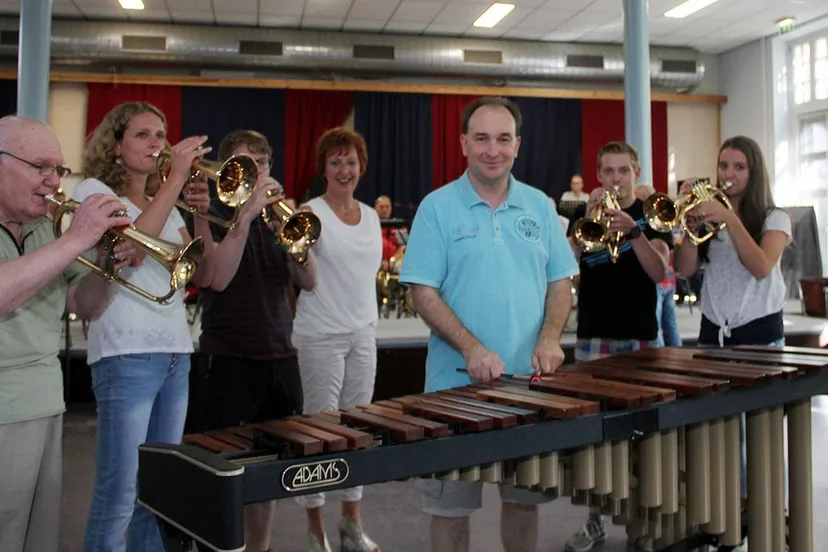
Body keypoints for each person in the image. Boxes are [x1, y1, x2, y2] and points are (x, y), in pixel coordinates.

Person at [400, 96, 579, 552]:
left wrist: (550, 338)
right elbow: (422, 292)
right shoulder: (436, 208)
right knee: (450, 511)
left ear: (517, 145)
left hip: (529, 386)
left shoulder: (540, 207)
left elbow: (560, 283)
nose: (492, 149)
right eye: (481, 138)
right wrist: (471, 348)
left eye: (503, 139)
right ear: (463, 143)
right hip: (453, 388)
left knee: (524, 505)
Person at [75, 101, 217, 552]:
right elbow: (130, 253)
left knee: (155, 495)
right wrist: (175, 179)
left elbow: (199, 273)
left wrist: (199, 211)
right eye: (142, 135)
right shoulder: (94, 191)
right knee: (118, 493)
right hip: (125, 351)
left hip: (176, 351)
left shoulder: (166, 205)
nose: (157, 143)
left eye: (161, 135)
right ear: (115, 146)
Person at [0, 116, 135, 552]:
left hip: (44, 401)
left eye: (59, 170)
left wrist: (111, 264)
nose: (53, 181)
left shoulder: (45, 227)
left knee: (36, 537)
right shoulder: (62, 235)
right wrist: (77, 239)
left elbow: (86, 304)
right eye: (40, 166)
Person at [186, 129, 317, 552]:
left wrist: (290, 231)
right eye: (248, 163)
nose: (258, 172)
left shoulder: (275, 214)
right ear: (228, 170)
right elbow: (216, 278)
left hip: (280, 357)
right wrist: (244, 215)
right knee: (222, 475)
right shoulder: (212, 213)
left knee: (268, 477)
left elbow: (309, 280)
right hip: (228, 360)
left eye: (263, 162)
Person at [676, 136, 791, 551]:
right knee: (718, 438)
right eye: (724, 166)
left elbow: (761, 266)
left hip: (758, 336)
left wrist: (729, 218)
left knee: (759, 439)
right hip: (713, 335)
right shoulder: (709, 219)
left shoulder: (775, 218)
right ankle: (723, 522)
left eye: (738, 167)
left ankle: (764, 518)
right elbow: (685, 270)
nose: (728, 174)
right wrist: (689, 229)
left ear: (753, 171)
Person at [565, 141, 672, 552]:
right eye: (608, 171)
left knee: (643, 438)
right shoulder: (583, 213)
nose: (616, 179)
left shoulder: (650, 213)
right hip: (594, 336)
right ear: (598, 175)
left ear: (636, 172)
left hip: (641, 337)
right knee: (595, 436)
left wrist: (634, 231)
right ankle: (594, 521)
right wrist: (585, 222)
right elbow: (565, 263)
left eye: (623, 171)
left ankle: (639, 526)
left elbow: (660, 271)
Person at [293, 127, 383, 552]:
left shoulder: (372, 215)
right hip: (321, 336)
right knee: (320, 430)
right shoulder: (309, 214)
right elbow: (302, 278)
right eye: (336, 162)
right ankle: (315, 529)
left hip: (363, 333)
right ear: (323, 169)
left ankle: (351, 523)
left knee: (358, 430)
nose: (344, 169)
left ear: (361, 166)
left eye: (350, 161)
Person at [634, 184, 682, 347]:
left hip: (657, 280)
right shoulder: (664, 221)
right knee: (670, 324)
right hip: (669, 280)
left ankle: (660, 357)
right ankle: (676, 355)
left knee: (656, 324)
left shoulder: (651, 222)